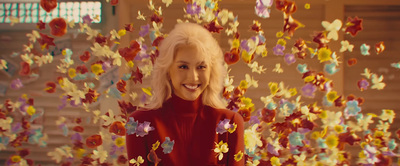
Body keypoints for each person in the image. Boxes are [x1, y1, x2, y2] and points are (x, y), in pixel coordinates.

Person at [126, 22, 245, 166]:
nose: (193, 77)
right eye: (183, 66)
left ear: (211, 71)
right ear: (168, 71)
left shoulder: (230, 123)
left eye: (201, 67)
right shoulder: (138, 124)